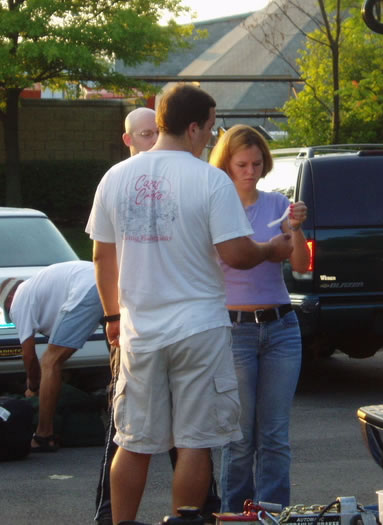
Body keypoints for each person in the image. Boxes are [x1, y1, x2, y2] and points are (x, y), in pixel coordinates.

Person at [85, 84, 293, 523]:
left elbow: (102, 256)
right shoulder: (210, 180)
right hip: (200, 329)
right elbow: (237, 254)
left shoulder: (115, 178)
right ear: (194, 127)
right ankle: (184, 519)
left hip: (140, 331)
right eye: (211, 127)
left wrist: (113, 317)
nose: (212, 136)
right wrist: (271, 248)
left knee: (132, 441)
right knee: (195, 442)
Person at [209, 124, 310, 511]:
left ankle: (272, 515)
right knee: (239, 437)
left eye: (256, 163)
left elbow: (301, 265)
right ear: (226, 165)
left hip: (281, 327)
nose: (250, 171)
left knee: (275, 436)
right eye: (242, 164)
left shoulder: (276, 204)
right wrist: (266, 248)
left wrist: (295, 228)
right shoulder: (216, 208)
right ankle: (235, 515)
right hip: (235, 329)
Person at [94, 106, 159, 525]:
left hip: (174, 323)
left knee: (189, 437)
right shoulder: (116, 181)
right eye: (145, 134)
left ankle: (201, 511)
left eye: (157, 132)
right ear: (128, 139)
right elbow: (102, 256)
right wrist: (112, 317)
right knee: (124, 429)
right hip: (132, 325)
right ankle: (108, 515)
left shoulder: (177, 177)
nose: (152, 140)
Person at [0, 260, 104, 452]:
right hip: (107, 279)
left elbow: (29, 356)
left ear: (9, 298)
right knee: (121, 353)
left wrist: (33, 386)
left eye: (7, 310)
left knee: (50, 361)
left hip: (87, 288)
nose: (11, 315)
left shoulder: (19, 298)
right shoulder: (38, 287)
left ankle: (44, 435)